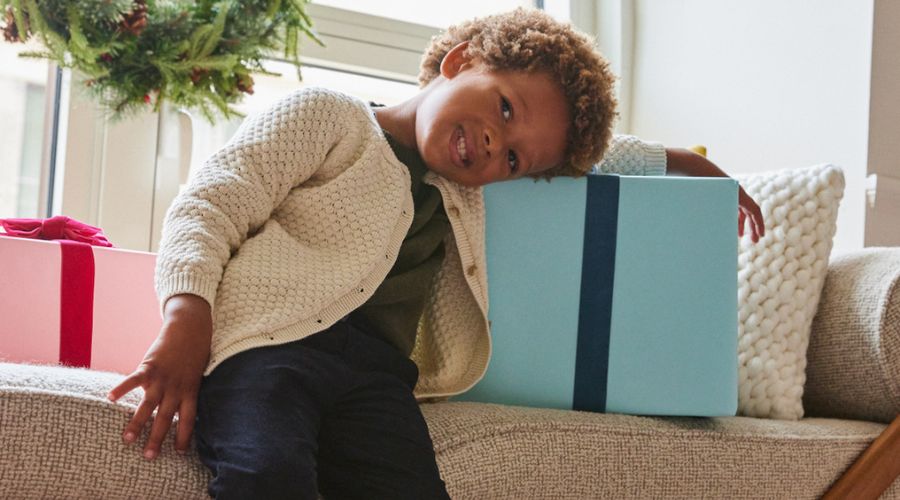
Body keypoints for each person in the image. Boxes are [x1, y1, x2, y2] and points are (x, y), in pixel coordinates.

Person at [107, 7, 764, 499]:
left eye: (513, 157)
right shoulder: (330, 119)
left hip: (376, 375)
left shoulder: (467, 193)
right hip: (266, 348)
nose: (493, 143)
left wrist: (677, 162)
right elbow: (212, 201)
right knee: (268, 472)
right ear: (459, 61)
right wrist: (186, 315)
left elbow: (579, 161)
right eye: (503, 108)